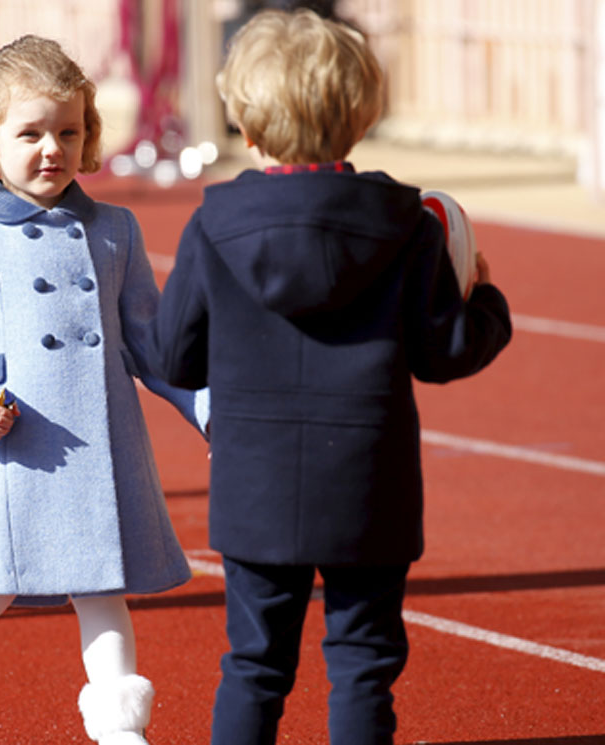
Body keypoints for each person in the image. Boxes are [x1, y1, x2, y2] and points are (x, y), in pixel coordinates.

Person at [146, 9, 512, 745]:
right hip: (368, 483)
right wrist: (486, 298)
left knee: (253, 664)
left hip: (255, 489)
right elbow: (445, 353)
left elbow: (173, 358)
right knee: (363, 662)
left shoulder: (213, 226)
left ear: (245, 127)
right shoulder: (409, 224)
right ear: (361, 117)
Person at [0, 34, 207, 745]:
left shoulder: (115, 232)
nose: (52, 148)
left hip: (99, 449)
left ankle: (120, 726)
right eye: (31, 132)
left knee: (103, 590)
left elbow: (154, 346)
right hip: (9, 452)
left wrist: (210, 410)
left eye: (69, 131)